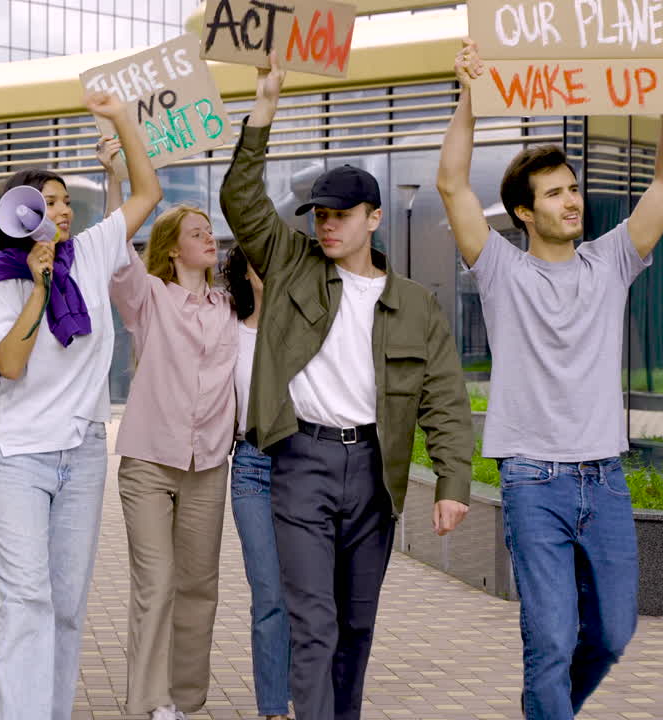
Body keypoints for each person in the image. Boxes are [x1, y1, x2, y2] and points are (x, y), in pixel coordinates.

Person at [219, 52, 474, 720]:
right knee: (313, 623)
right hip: (299, 463)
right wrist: (264, 112)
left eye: (339, 214)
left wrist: (451, 484)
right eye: (318, 214)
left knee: (357, 626)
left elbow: (445, 397)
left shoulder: (415, 304)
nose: (325, 224)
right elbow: (240, 202)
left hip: (373, 473)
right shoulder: (291, 262)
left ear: (374, 218)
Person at [438, 37, 663, 720]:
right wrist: (470, 94)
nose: (572, 200)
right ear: (523, 211)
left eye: (573, 188)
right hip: (532, 481)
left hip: (602, 480)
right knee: (550, 640)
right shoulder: (501, 270)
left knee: (613, 634)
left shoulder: (612, 263)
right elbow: (452, 184)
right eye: (555, 193)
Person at [0, 89, 162, 720]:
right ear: (19, 214)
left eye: (61, 200)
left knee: (65, 603)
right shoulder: (2, 279)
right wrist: (40, 281)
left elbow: (147, 193)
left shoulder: (96, 248)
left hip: (81, 453)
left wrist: (121, 122)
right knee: (24, 599)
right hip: (18, 457)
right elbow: (11, 363)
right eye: (44, 201)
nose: (58, 209)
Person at [107, 202, 238, 720]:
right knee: (157, 581)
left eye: (211, 232)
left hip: (208, 463)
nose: (210, 239)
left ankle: (185, 700)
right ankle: (151, 702)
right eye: (197, 233)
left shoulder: (229, 305)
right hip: (149, 461)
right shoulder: (150, 298)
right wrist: (117, 179)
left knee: (200, 584)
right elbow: (119, 256)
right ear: (172, 248)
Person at [221, 248, 291, 720]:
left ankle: (312, 694)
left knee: (310, 591)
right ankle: (273, 707)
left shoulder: (304, 326)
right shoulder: (229, 326)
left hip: (304, 463)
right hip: (250, 464)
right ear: (245, 272)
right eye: (257, 262)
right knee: (268, 592)